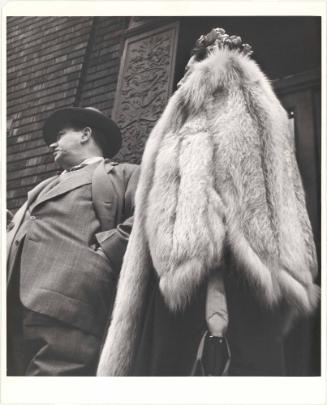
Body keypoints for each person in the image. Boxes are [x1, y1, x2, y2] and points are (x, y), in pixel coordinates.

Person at [97, 28, 320, 376]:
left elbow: (236, 199)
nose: (184, 75)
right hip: (190, 273)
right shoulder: (198, 114)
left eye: (190, 67)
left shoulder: (229, 104)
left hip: (213, 275)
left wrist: (199, 251)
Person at [7, 106, 139, 376]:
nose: (52, 144)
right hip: (14, 301)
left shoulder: (125, 174)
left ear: (85, 134)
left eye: (60, 134)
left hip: (71, 302)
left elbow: (150, 214)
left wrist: (102, 256)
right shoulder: (44, 185)